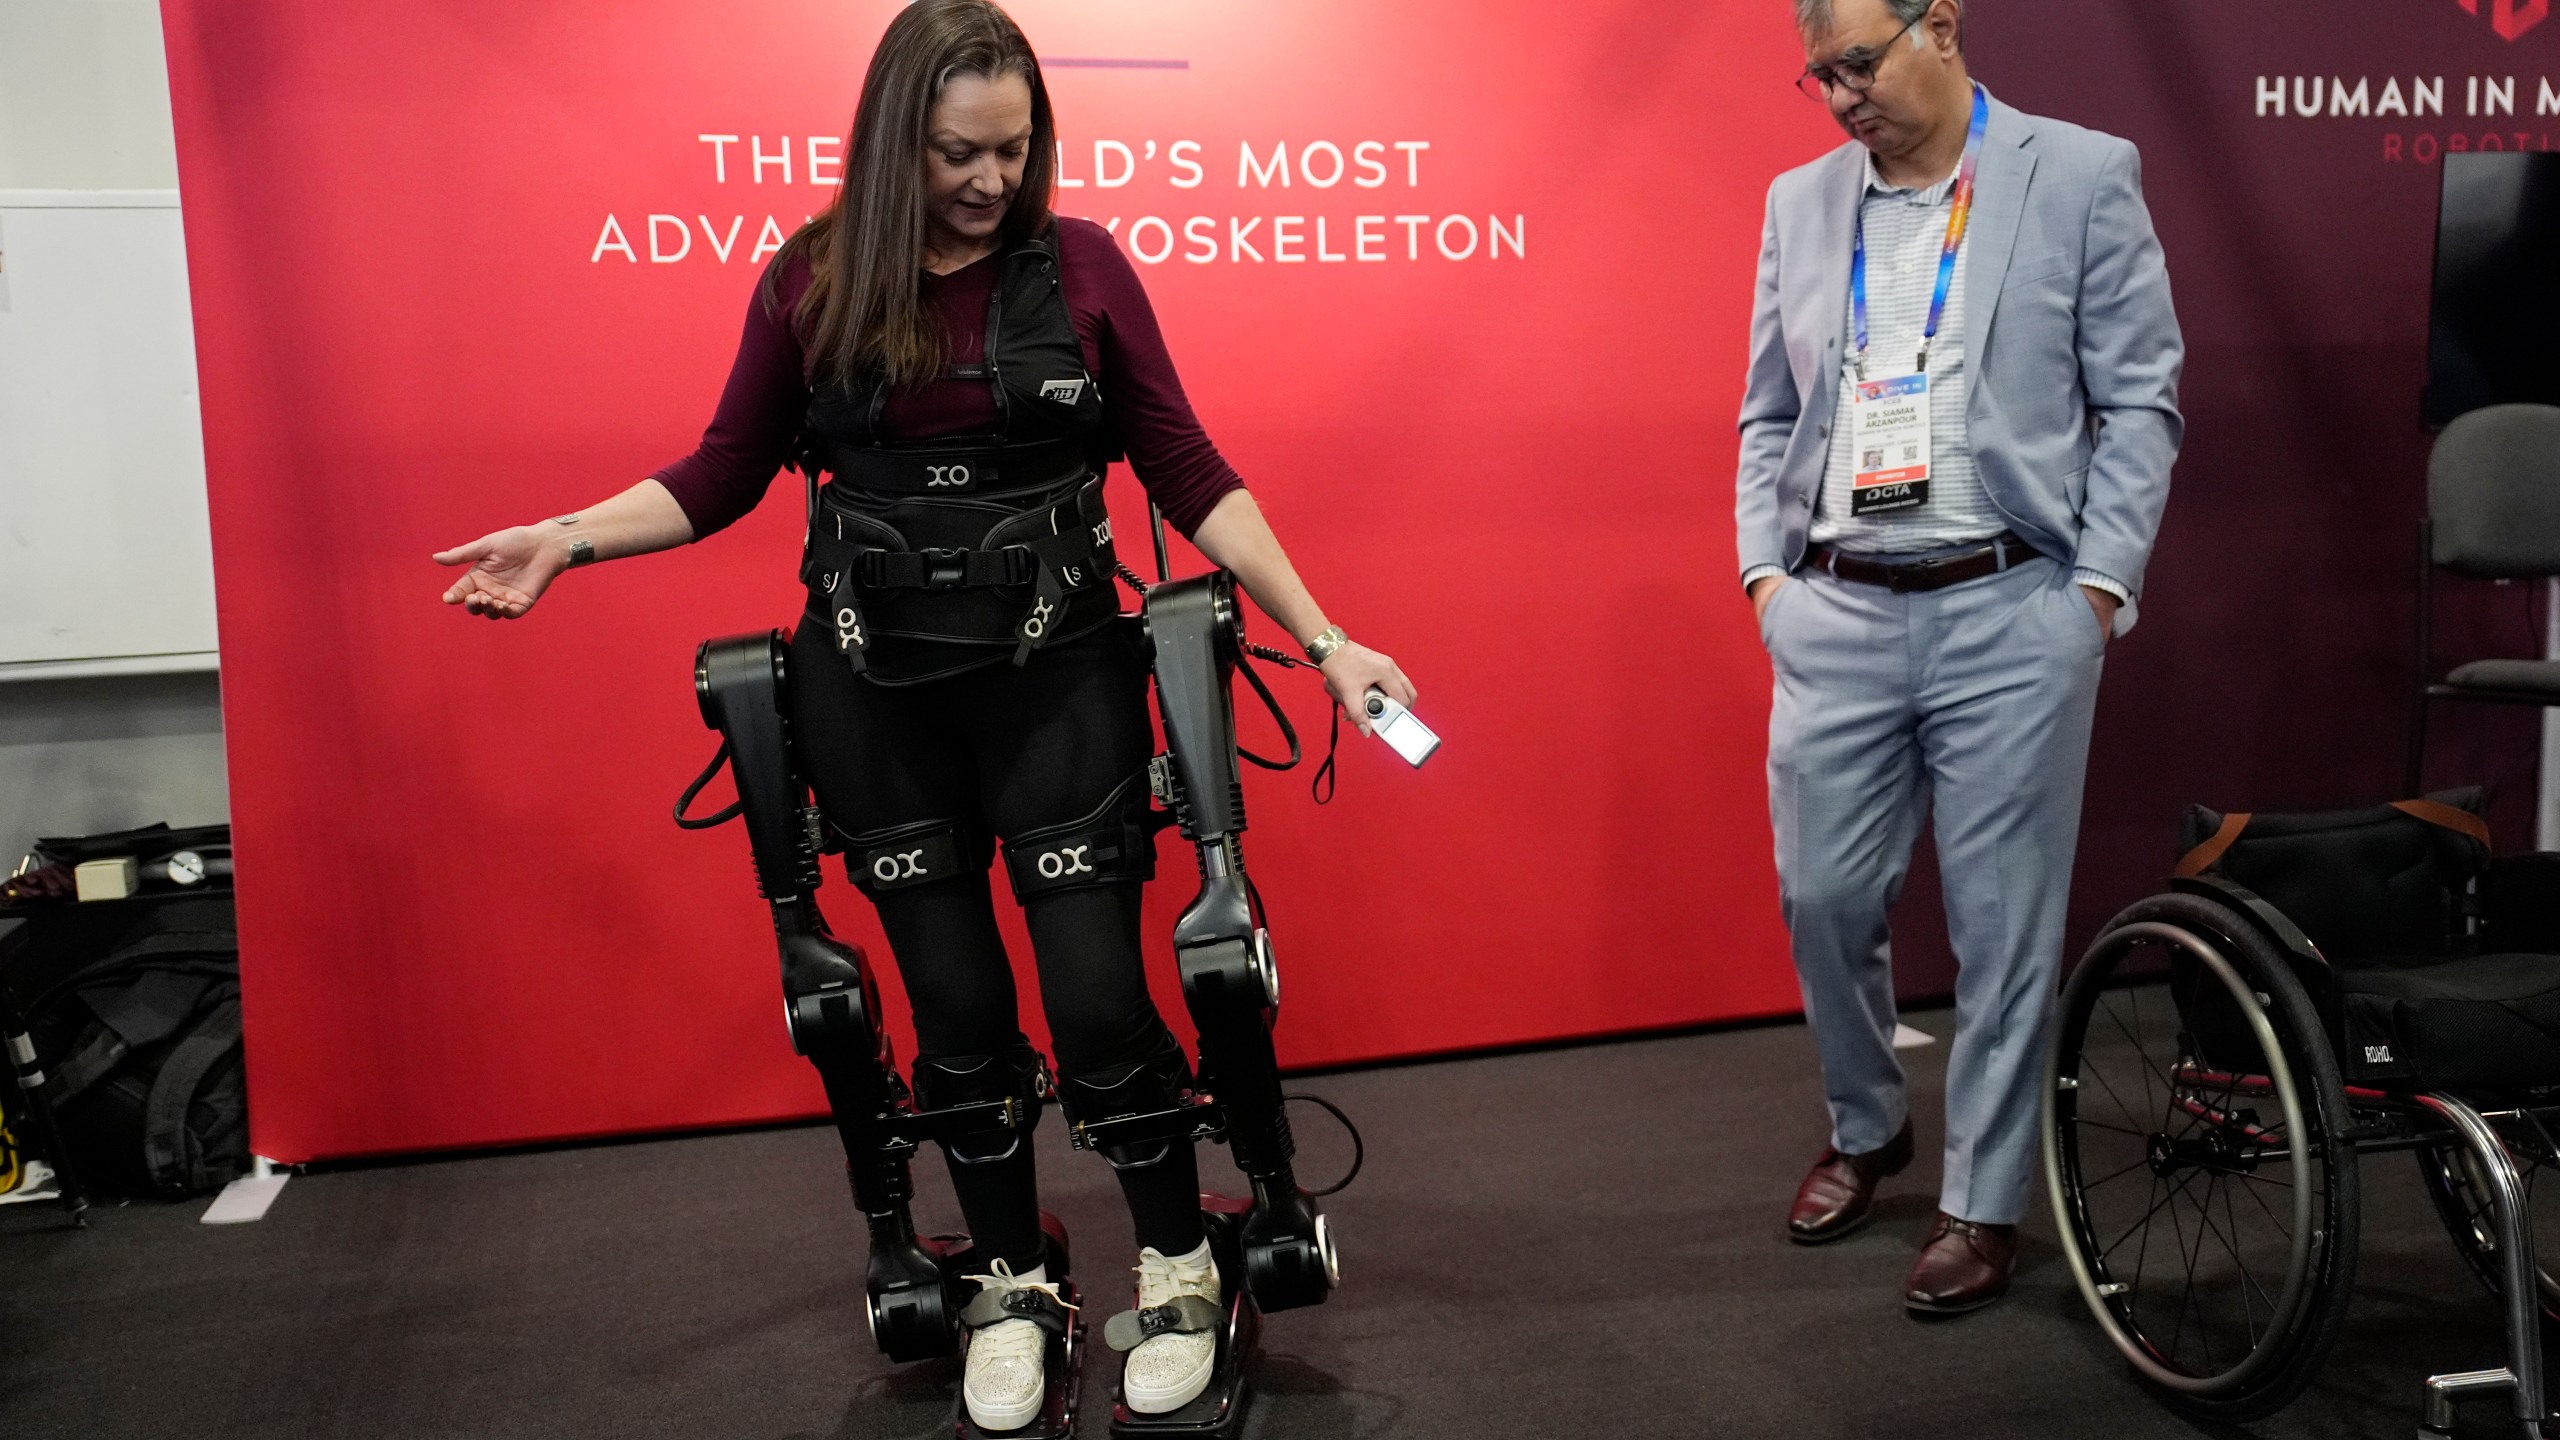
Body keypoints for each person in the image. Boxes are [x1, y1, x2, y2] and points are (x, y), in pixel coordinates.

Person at [432, 1, 1414, 1426]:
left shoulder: (1081, 270)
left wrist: (1327, 638)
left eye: (1015, 151)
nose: (991, 181)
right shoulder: (813, 282)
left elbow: (1190, 466)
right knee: (954, 1011)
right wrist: (567, 538)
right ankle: (1014, 1277)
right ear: (898, 139)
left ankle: (1180, 1259)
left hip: (1059, 682)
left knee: (1093, 1000)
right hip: (876, 695)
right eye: (961, 152)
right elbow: (720, 472)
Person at [1734, 0, 2181, 1313]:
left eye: (1859, 64)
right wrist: (1766, 575)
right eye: (1819, 77)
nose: (1840, 98)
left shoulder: (2081, 173)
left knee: (2003, 929)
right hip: (1838, 610)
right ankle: (1868, 1121)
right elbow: (1769, 405)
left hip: (2013, 607)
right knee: (1822, 895)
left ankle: (1982, 1203)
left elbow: (2142, 393)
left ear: (1942, 24)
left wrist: (2098, 589)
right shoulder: (1800, 202)